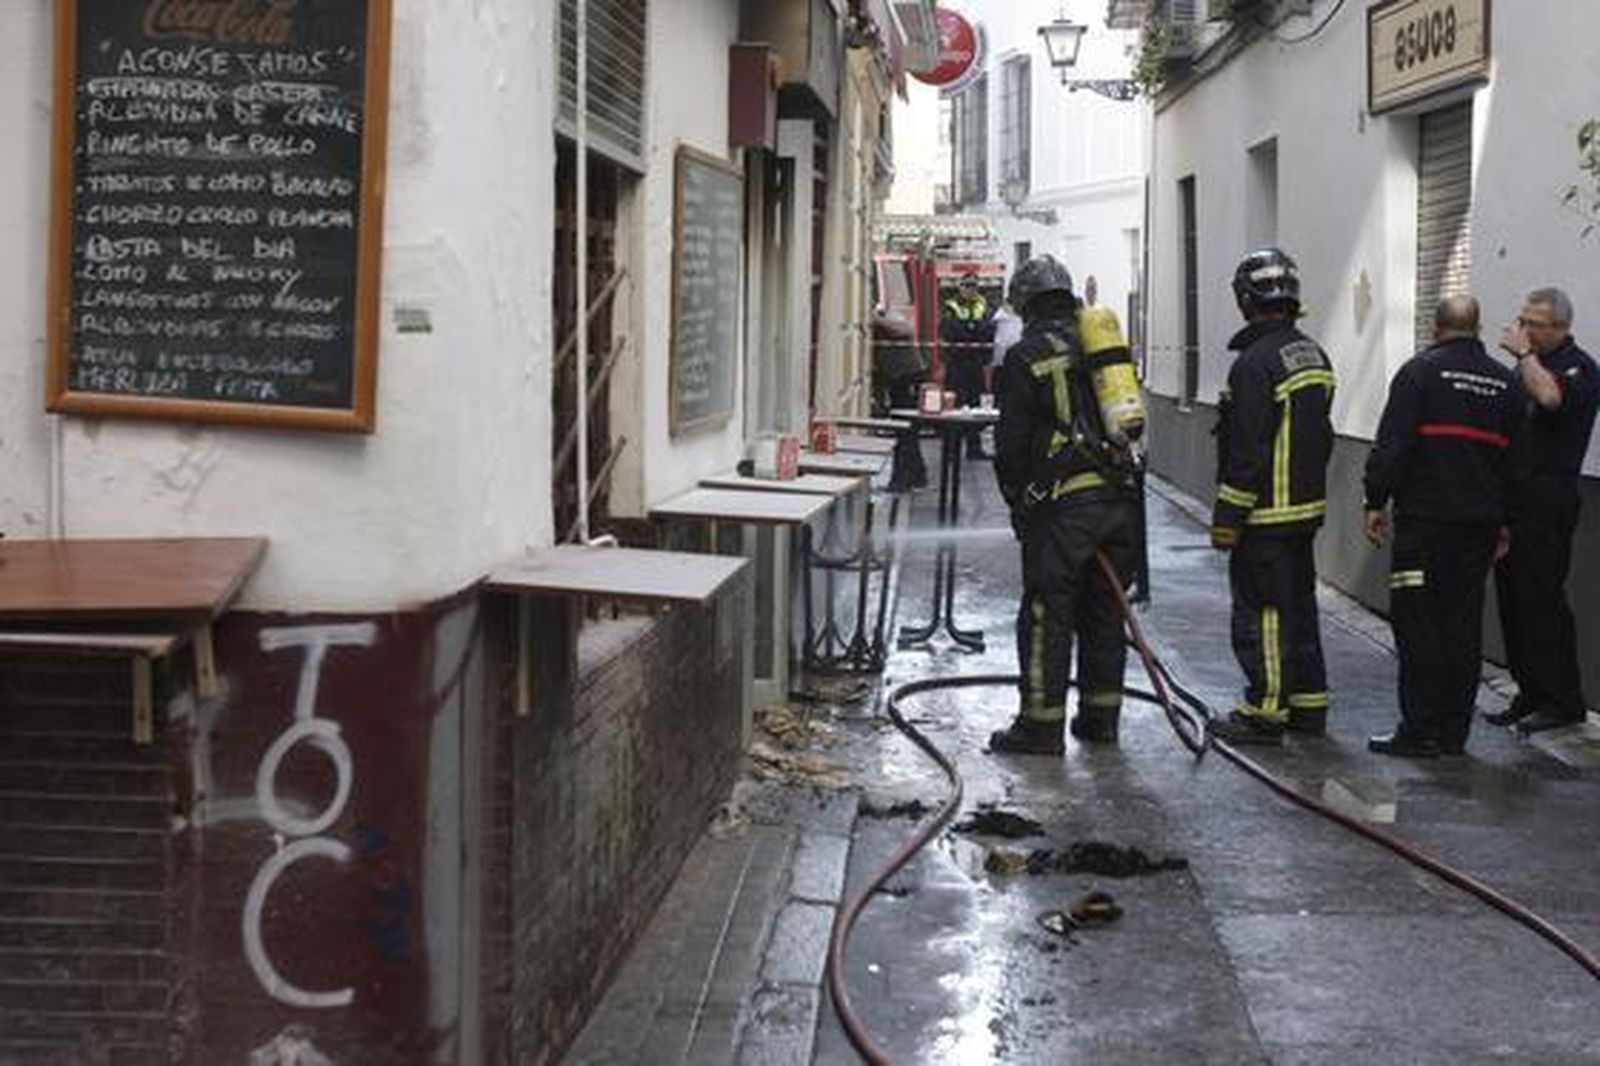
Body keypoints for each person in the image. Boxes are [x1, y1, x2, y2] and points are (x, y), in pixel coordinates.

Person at [989, 255, 1144, 754]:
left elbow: (1011, 445)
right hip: (1120, 500)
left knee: (1046, 612)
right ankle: (1100, 720)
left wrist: (1019, 499)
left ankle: (1040, 726)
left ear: (1028, 304)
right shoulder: (1101, 347)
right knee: (1104, 610)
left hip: (1063, 508)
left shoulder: (1025, 355)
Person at [1362, 296, 1527, 758]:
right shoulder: (1504, 383)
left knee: (1417, 623)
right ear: (1478, 328)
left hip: (1424, 524)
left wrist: (1375, 500)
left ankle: (1419, 730)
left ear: (1436, 328)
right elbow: (1518, 464)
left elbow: (1392, 446)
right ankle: (1454, 732)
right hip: (1478, 526)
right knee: (1462, 624)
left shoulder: (1419, 373)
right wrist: (1505, 522)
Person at [1208, 248, 1336, 746]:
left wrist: (1227, 517)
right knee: (1298, 606)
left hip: (1264, 514)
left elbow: (1247, 450)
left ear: (1246, 299)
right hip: (1304, 512)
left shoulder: (1254, 364)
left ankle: (1264, 711)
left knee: (1263, 612)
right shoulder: (1312, 354)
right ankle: (1309, 705)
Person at [1486, 287, 1600, 734]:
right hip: (1512, 495)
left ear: (1561, 328)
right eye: (1523, 320)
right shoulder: (1525, 369)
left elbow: (1551, 399)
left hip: (1548, 496)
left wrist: (1525, 356)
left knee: (1541, 598)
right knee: (1512, 599)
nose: (1526, 330)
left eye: (1535, 323)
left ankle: (1561, 698)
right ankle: (1528, 690)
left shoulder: (1580, 369)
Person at [941, 271, 995, 459]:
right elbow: (950, 331)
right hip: (956, 364)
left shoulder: (983, 305)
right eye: (966, 285)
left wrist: (970, 330)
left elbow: (988, 331)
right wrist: (973, 329)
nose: (970, 289)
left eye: (973, 286)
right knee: (954, 407)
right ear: (959, 287)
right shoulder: (950, 306)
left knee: (974, 407)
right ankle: (951, 449)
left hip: (975, 365)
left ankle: (974, 448)